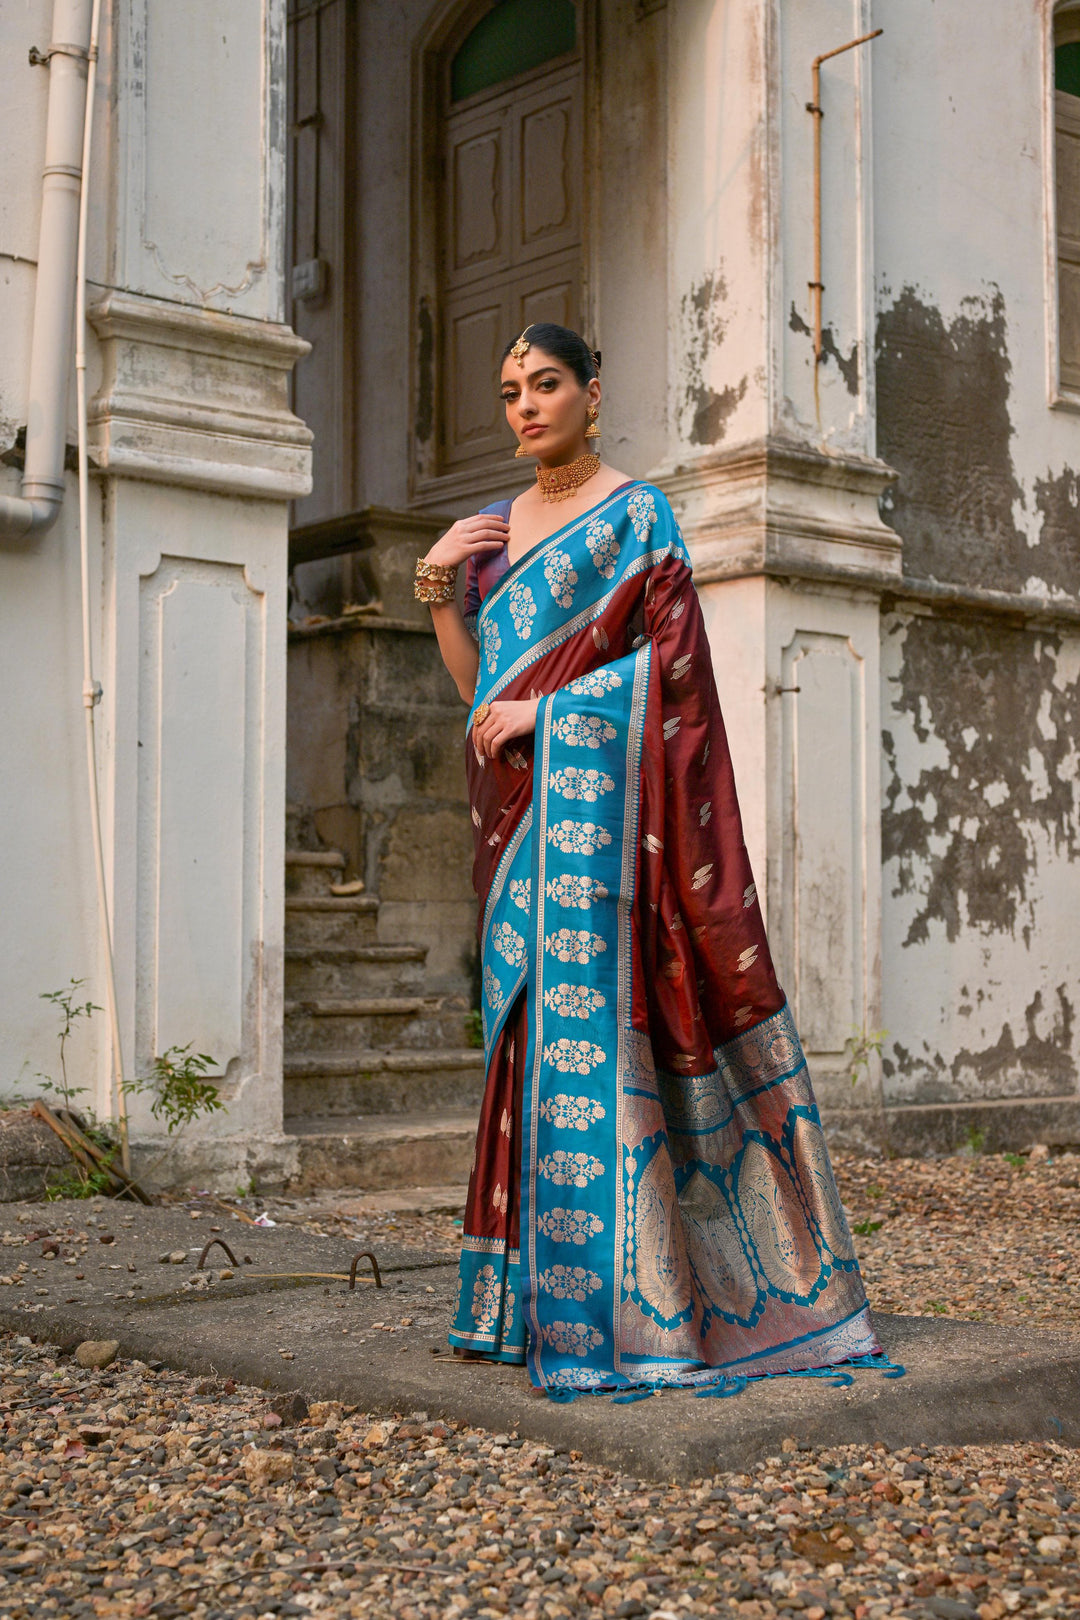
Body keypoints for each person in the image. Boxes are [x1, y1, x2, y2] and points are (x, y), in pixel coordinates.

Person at [414, 322, 891, 1398]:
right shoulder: (500, 531)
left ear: (592, 388)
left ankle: (634, 1307)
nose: (525, 406)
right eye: (508, 392)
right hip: (520, 829)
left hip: (606, 836)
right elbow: (482, 698)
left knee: (596, 1052)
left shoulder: (638, 518)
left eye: (544, 385)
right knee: (528, 1048)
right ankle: (531, 1304)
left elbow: (677, 686)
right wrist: (441, 586)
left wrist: (552, 707)